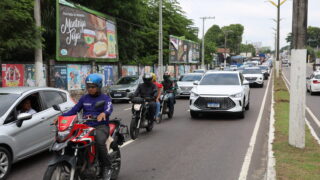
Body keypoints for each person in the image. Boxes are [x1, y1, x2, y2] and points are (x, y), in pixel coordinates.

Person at [62, 74, 113, 180]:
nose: (90, 89)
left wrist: (104, 113)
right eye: (88, 87)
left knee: (99, 143)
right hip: (85, 126)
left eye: (93, 87)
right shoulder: (84, 98)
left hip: (101, 126)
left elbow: (109, 108)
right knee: (71, 141)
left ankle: (107, 166)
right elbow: (74, 110)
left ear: (98, 86)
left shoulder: (105, 98)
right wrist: (61, 117)